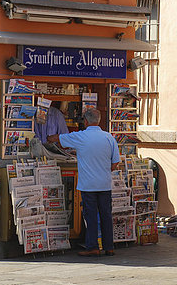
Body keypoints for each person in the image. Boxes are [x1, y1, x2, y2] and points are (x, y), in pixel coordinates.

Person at [47, 108, 120, 257]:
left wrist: (47, 138)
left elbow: (57, 139)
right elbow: (115, 163)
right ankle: (109, 247)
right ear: (98, 120)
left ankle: (93, 246)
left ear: (85, 122)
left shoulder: (80, 136)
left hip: (88, 185)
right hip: (105, 184)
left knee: (91, 215)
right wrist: (103, 172)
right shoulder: (109, 138)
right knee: (106, 215)